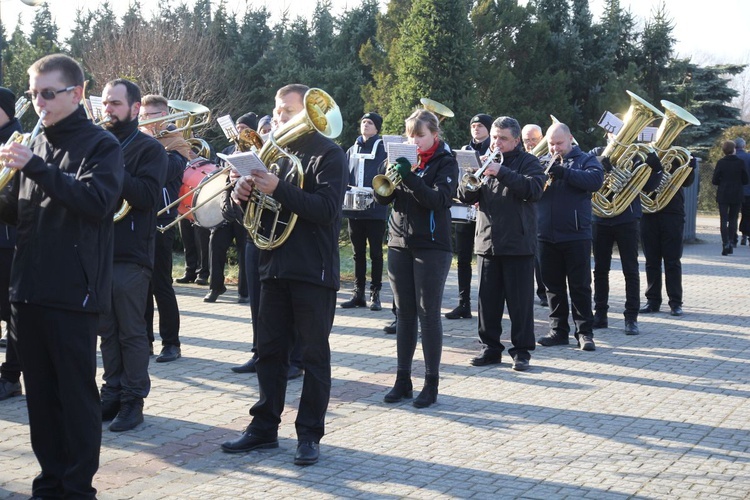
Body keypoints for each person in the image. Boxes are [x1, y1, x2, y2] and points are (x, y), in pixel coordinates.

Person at [0, 53, 123, 499]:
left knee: (75, 398)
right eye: (33, 94)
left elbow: (96, 202)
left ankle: (76, 487)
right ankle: (49, 480)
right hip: (27, 289)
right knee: (41, 401)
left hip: (73, 293)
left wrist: (34, 165)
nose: (39, 103)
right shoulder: (36, 144)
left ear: (77, 92)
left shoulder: (101, 145)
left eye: (48, 94)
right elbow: (18, 211)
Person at [221, 84, 347, 466]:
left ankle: (309, 434)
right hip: (272, 266)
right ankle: (263, 428)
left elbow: (326, 210)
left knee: (312, 355)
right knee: (269, 353)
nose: (279, 118)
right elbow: (238, 217)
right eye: (277, 111)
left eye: (288, 112)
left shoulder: (330, 154)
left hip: (312, 269)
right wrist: (238, 195)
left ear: (311, 115)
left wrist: (279, 187)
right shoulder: (268, 155)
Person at [375, 109, 457, 408]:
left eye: (419, 135)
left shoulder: (445, 162)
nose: (414, 140)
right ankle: (402, 380)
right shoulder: (399, 161)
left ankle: (431, 383)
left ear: (435, 135)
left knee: (428, 314)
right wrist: (387, 186)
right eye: (410, 135)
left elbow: (439, 200)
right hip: (399, 242)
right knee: (404, 314)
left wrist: (410, 177)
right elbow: (384, 198)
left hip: (432, 245)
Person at [99, 79, 167, 432]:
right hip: (98, 250)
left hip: (131, 253)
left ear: (135, 108)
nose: (107, 109)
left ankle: (132, 400)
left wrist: (114, 168)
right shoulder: (97, 143)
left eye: (114, 103)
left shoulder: (149, 150)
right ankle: (110, 392)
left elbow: (146, 197)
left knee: (130, 330)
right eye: (105, 102)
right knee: (106, 331)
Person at [460, 117, 545, 371]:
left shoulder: (528, 161)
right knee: (487, 301)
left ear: (516, 140)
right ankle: (490, 348)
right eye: (495, 137)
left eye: (503, 138)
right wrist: (468, 180)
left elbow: (534, 190)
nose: (496, 143)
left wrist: (502, 171)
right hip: (487, 240)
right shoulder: (484, 161)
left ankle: (521, 351)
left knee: (520, 303)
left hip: (518, 243)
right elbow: (465, 196)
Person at [536, 122, 603, 351]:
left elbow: (595, 181)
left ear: (570, 138)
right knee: (552, 287)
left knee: (580, 286)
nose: (555, 148)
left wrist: (564, 172)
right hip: (545, 234)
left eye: (559, 143)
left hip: (576, 235)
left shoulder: (586, 160)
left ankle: (585, 333)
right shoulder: (542, 161)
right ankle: (558, 331)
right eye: (551, 144)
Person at [590, 139, 663, 335]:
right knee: (600, 270)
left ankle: (631, 317)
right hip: (601, 218)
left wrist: (657, 169)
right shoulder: (598, 150)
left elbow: (649, 187)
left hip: (627, 219)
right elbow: (586, 167)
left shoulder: (637, 156)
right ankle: (600, 314)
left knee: (630, 270)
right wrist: (600, 162)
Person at [139, 93, 188, 362]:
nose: (145, 121)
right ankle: (143, 340)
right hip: (136, 217)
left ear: (165, 115)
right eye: (142, 116)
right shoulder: (137, 138)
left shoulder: (176, 141)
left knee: (161, 284)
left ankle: (172, 343)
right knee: (139, 286)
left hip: (161, 219)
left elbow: (166, 171)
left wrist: (146, 145)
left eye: (151, 116)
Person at [445, 113, 492, 320]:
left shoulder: (495, 150)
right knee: (463, 257)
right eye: (473, 125)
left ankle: (488, 304)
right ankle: (464, 303)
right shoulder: (465, 150)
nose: (476, 129)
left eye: (480, 126)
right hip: (465, 207)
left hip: (486, 210)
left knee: (486, 257)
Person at [204, 113, 255, 303]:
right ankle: (215, 287)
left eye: (244, 128)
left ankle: (244, 291)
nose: (239, 131)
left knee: (244, 248)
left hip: (245, 209)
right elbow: (220, 181)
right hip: (226, 206)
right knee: (215, 244)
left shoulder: (257, 151)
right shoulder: (227, 150)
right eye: (238, 128)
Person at [639, 155, 697, 317]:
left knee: (672, 260)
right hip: (649, 212)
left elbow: (687, 182)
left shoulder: (677, 157)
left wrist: (691, 168)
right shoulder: (645, 156)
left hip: (672, 213)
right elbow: (638, 183)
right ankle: (652, 300)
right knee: (651, 260)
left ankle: (675, 303)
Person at [341, 112, 388, 310]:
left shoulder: (384, 149)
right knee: (357, 253)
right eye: (363, 122)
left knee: (376, 253)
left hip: (376, 208)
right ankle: (358, 294)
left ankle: (375, 295)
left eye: (370, 123)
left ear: (377, 128)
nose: (365, 125)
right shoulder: (352, 149)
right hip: (354, 209)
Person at [0, 87, 23, 400]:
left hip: (8, 241)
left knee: (12, 314)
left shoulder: (18, 141)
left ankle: (10, 377)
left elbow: (17, 193)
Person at [522, 123, 548, 307]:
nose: (530, 144)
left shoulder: (548, 158)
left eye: (534, 140)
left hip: (543, 211)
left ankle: (544, 292)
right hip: (523, 213)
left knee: (540, 256)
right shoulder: (521, 159)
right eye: (526, 140)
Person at [712, 140, 748, 255]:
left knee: (723, 219)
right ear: (734, 150)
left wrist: (722, 182)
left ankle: (725, 243)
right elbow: (745, 179)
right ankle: (732, 242)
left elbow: (715, 180)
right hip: (737, 194)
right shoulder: (740, 162)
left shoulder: (721, 162)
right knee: (733, 219)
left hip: (723, 193)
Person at [734, 138, 750, 245]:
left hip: (733, 191)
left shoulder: (730, 157)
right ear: (743, 146)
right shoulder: (748, 157)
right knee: (747, 213)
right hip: (748, 190)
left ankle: (732, 238)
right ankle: (745, 234)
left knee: (732, 215)